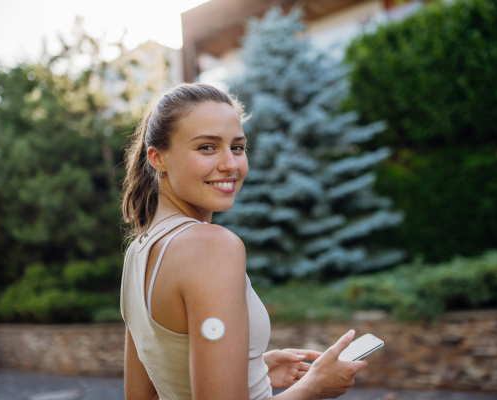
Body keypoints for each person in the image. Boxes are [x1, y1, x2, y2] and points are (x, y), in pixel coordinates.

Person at [120, 83, 368, 400]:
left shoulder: (138, 252)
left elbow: (151, 389)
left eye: (237, 147)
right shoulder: (212, 246)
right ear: (157, 158)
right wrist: (313, 387)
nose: (230, 164)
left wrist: (253, 371)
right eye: (207, 147)